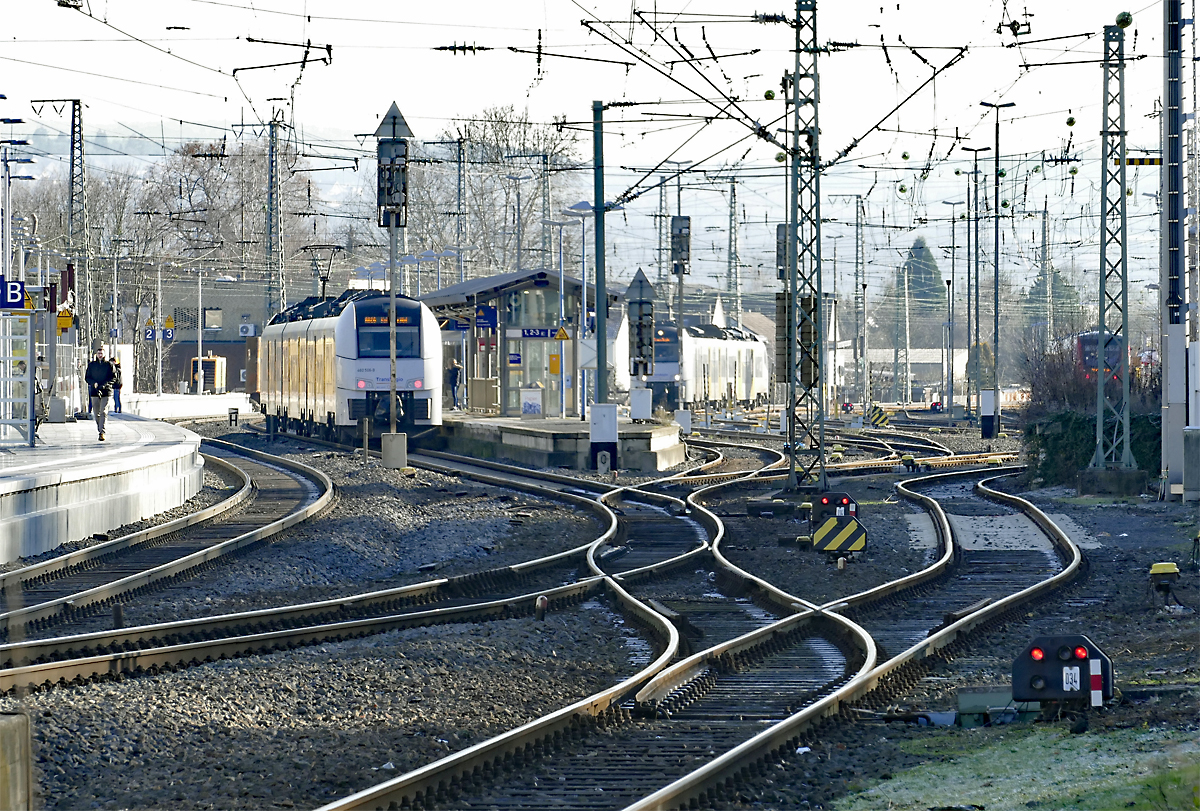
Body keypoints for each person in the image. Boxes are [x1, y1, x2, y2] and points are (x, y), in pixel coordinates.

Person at [84, 347, 117, 441]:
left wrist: (105, 385)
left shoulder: (109, 365)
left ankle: (102, 432)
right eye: (98, 353)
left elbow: (114, 378)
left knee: (103, 411)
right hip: (94, 392)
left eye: (101, 353)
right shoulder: (92, 365)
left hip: (106, 391)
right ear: (96, 354)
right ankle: (100, 428)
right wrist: (93, 383)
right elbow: (87, 377)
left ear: (104, 354)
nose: (100, 355)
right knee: (96, 413)